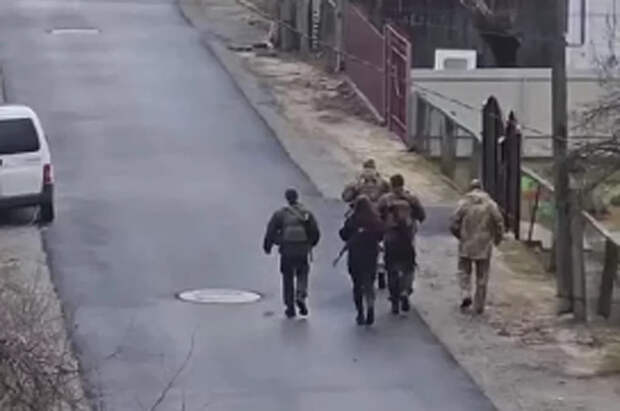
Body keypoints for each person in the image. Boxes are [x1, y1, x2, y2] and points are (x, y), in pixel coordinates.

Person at [263, 188, 320, 318]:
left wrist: (268, 246)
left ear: (287, 198)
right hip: (302, 249)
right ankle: (300, 295)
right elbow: (315, 232)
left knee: (287, 277)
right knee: (302, 273)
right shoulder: (306, 213)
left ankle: (290, 307)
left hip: (287, 250)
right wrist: (310, 244)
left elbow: (271, 230)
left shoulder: (280, 214)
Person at [450, 180, 504, 314]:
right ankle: (479, 306)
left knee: (463, 271)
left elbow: (454, 222)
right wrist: (497, 238)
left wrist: (459, 235)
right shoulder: (490, 204)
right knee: (482, 276)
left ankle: (465, 293)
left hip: (466, 243)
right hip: (484, 244)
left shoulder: (464, 203)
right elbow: (499, 222)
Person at [377, 174, 426, 315]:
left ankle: (394, 300)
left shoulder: (384, 200)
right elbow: (422, 216)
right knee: (408, 268)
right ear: (403, 184)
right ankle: (405, 291)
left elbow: (377, 217)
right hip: (407, 239)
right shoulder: (411, 199)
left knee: (391, 269)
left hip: (390, 239)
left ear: (391, 185)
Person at [341, 159, 390, 289]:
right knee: (383, 239)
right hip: (377, 216)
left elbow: (346, 197)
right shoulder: (382, 182)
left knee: (350, 229)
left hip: (363, 215)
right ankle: (381, 267)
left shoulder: (359, 182)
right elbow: (390, 197)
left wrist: (355, 187)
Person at [338, 195, 384, 326]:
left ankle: (360, 313)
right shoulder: (374, 219)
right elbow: (381, 235)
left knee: (357, 285)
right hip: (371, 255)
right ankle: (370, 305)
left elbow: (343, 235)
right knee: (369, 283)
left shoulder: (353, 219)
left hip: (355, 255)